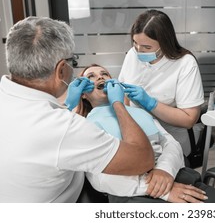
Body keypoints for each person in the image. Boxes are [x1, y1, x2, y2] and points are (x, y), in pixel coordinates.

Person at [0, 16, 155, 203]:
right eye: (73, 62)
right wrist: (118, 104)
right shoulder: (67, 127)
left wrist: (67, 106)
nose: (100, 78)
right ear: (61, 70)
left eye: (104, 74)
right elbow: (143, 159)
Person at [75, 64, 215, 203]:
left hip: (176, 177)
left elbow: (171, 144)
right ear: (83, 94)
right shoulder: (85, 125)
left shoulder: (139, 113)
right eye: (91, 76)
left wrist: (165, 171)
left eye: (105, 73)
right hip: (132, 193)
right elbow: (99, 178)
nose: (100, 77)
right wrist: (162, 190)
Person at [119, 9, 204, 157]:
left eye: (147, 47)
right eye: (135, 43)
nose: (139, 51)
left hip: (169, 139)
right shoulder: (133, 53)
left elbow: (189, 119)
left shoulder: (185, 64)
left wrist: (151, 103)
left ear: (164, 43)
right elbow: (124, 94)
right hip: (136, 134)